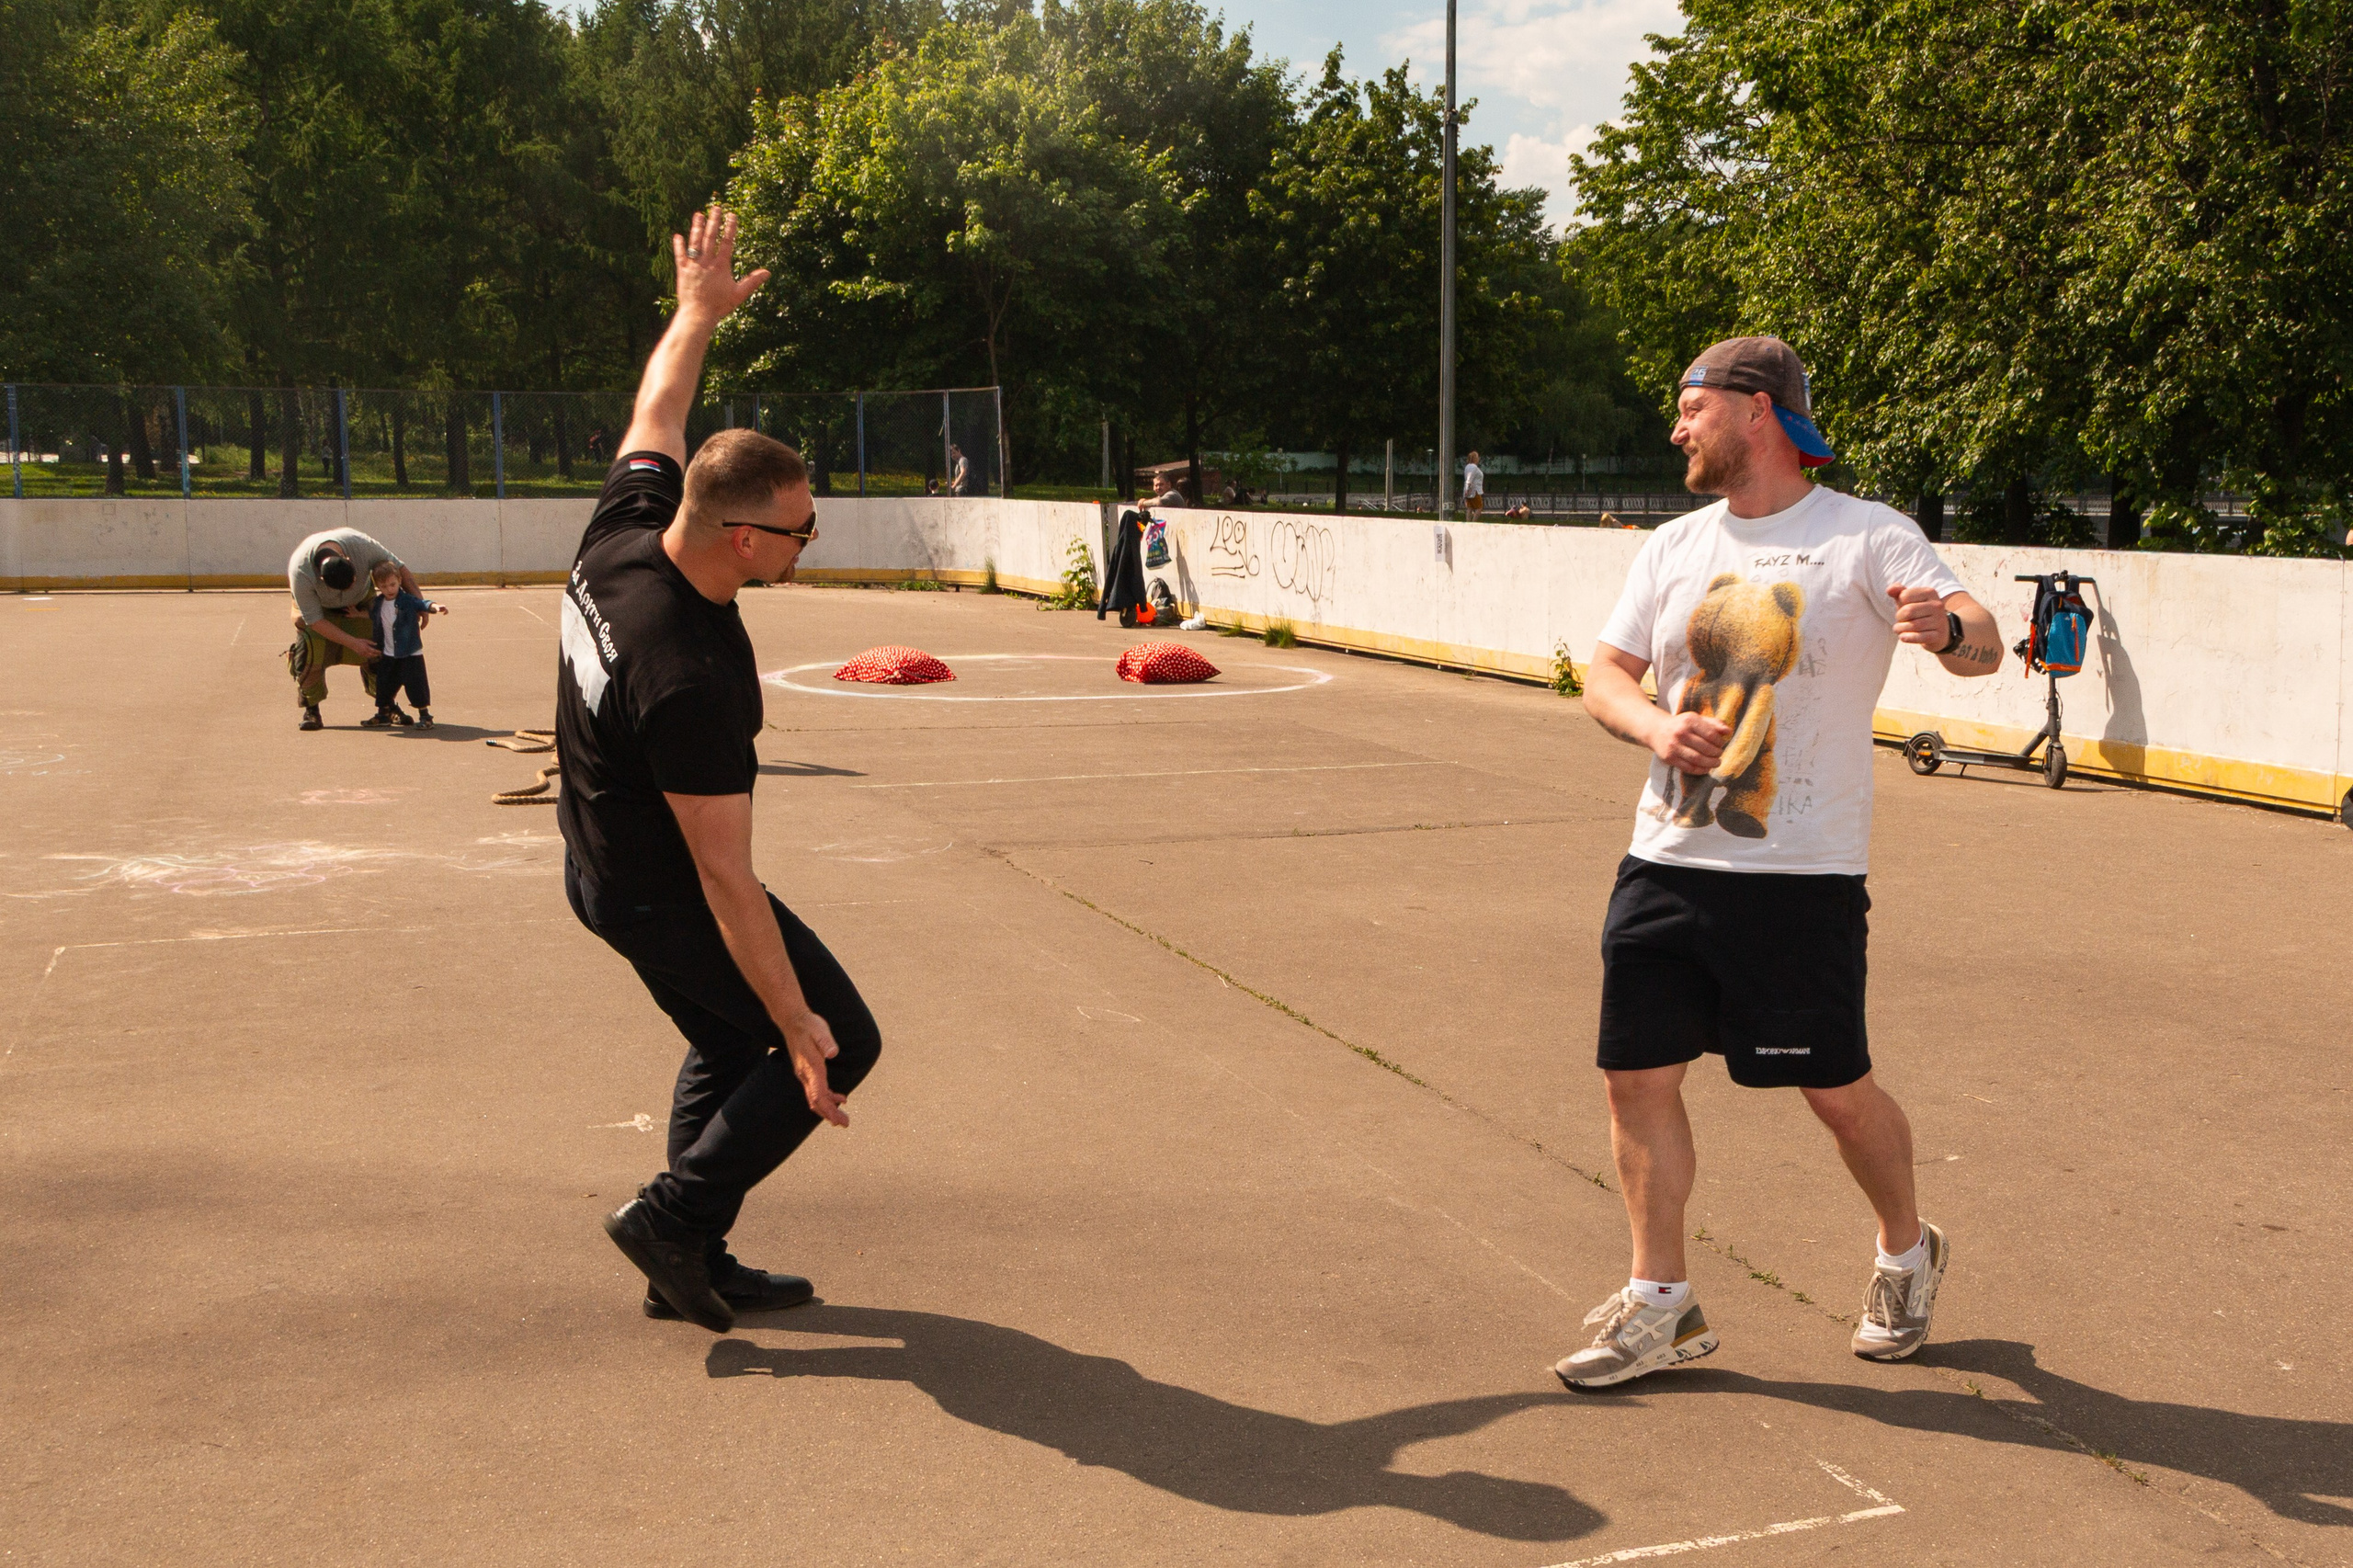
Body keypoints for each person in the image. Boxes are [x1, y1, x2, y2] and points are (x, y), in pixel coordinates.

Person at [1556, 335, 2004, 1390]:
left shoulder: (1864, 535)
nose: (1676, 427)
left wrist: (1944, 629)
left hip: (1799, 879)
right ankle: (1660, 1301)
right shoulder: (1671, 545)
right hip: (1664, 860)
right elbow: (1604, 672)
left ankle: (1905, 1246)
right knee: (1634, 1077)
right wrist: (1652, 730)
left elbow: (1980, 637)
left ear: (1756, 412)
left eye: (1690, 407)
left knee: (1836, 1092)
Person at [560, 203, 882, 1333]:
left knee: (721, 1037)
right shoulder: (689, 673)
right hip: (657, 887)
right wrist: (799, 1021)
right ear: (745, 537)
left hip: (598, 864)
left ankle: (686, 1251)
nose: (808, 544)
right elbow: (727, 877)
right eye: (800, 531)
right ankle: (668, 1217)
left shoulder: (629, 525)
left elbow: (659, 406)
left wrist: (696, 312)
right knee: (837, 1035)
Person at [285, 529, 425, 731]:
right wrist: (353, 643)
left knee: (380, 651)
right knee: (308, 651)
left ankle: (386, 705)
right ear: (322, 579)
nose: (347, 590)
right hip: (320, 610)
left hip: (361, 603)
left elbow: (399, 568)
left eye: (351, 583)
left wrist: (419, 602)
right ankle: (311, 710)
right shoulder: (300, 572)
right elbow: (315, 620)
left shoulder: (360, 544)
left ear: (347, 558)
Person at [362, 562, 447, 730]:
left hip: (410, 653)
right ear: (378, 586)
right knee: (384, 684)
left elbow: (421, 603)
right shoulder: (378, 603)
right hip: (388, 653)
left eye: (392, 584)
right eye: (384, 586)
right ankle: (383, 714)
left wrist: (434, 606)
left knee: (416, 685)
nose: (389, 589)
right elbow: (371, 614)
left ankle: (425, 716)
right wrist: (355, 614)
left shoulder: (406, 600)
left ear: (400, 580)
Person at [1462, 450, 1485, 519]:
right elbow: (1469, 479)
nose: (1479, 458)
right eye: (1477, 457)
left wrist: (1465, 491)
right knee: (1479, 507)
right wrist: (1467, 490)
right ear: (1475, 458)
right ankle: (1473, 523)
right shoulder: (1474, 467)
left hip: (1469, 490)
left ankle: (1468, 524)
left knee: (1470, 508)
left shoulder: (1467, 467)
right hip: (1475, 491)